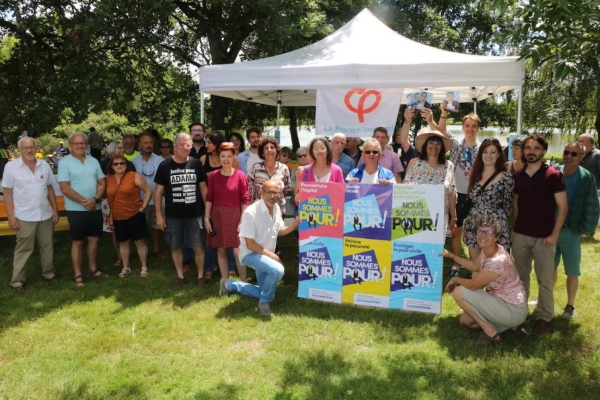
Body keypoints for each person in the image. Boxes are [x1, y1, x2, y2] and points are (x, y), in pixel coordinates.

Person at [440, 216, 528, 343]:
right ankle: (512, 326)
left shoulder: (497, 261)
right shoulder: (489, 250)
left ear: (496, 237)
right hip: (500, 303)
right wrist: (451, 255)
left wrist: (456, 279)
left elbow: (472, 286)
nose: (483, 236)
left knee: (459, 292)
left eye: (488, 232)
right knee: (465, 321)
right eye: (480, 231)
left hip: (512, 309)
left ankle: (490, 331)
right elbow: (475, 266)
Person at [512, 134, 567, 335]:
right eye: (528, 147)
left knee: (544, 280)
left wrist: (554, 234)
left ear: (543, 151)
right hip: (521, 236)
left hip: (544, 237)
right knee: (520, 278)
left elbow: (562, 206)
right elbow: (516, 205)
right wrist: (514, 229)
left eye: (536, 148)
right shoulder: (518, 176)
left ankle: (544, 317)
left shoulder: (553, 175)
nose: (531, 151)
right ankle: (520, 313)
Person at [221, 180, 300, 315]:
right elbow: (250, 244)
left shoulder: (275, 208)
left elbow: (279, 231)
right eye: (268, 192)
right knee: (277, 270)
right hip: (250, 253)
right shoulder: (251, 212)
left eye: (275, 192)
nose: (272, 196)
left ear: (280, 194)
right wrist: (273, 256)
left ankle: (228, 285)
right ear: (261, 193)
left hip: (264, 255)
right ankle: (264, 302)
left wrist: (293, 225)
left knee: (262, 290)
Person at [2, 137, 59, 292]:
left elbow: (49, 188)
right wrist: (11, 216)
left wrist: (55, 209)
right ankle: (17, 282)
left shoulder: (44, 165)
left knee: (47, 246)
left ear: (36, 148)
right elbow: (7, 192)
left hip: (45, 214)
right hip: (24, 215)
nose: (29, 150)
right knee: (24, 249)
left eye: (31, 147)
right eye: (25, 148)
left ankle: (49, 273)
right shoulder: (11, 167)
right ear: (19, 150)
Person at [154, 133, 208, 287]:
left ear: (191, 147)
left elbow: (203, 189)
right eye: (182, 144)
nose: (185, 147)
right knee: (176, 247)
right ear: (175, 146)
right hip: (173, 216)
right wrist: (159, 215)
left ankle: (200, 277)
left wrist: (208, 214)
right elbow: (158, 192)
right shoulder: (165, 166)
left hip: (195, 214)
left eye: (188, 145)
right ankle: (180, 276)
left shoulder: (196, 164)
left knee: (198, 247)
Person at [553, 142, 599, 318]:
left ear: (582, 157)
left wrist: (583, 230)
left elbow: (592, 205)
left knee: (572, 271)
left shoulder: (586, 177)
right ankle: (545, 299)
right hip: (551, 230)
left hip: (571, 231)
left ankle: (570, 306)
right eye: (566, 152)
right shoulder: (555, 173)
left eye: (574, 154)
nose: (569, 156)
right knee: (549, 268)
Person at [58, 133, 107, 287]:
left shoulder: (93, 161)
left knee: (94, 239)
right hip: (75, 209)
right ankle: (77, 274)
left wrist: (95, 200)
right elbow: (64, 188)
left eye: (82, 143)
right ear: (70, 145)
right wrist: (84, 202)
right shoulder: (64, 163)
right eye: (76, 143)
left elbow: (103, 182)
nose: (80, 146)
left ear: (87, 144)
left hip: (95, 207)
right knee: (78, 242)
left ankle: (92, 269)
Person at [440, 112, 481, 277]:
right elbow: (442, 131)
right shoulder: (456, 144)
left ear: (478, 128)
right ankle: (455, 266)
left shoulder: (482, 148)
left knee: (476, 233)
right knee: (456, 232)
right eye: (467, 126)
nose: (470, 129)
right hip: (457, 195)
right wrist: (443, 113)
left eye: (474, 126)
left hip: (475, 196)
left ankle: (474, 267)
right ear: (463, 127)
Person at [205, 142, 250, 288]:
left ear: (234, 158)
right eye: (223, 156)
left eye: (229, 156)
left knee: (238, 252)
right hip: (217, 216)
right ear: (218, 158)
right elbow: (209, 198)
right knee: (221, 250)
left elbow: (245, 199)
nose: (226, 159)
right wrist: (206, 218)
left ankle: (244, 282)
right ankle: (225, 283)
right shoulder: (214, 176)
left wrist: (242, 221)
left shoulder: (240, 175)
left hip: (236, 216)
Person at [463, 138, 514, 261]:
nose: (488, 155)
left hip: (495, 225)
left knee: (495, 266)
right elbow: (471, 196)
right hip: (474, 222)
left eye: (493, 152)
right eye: (485, 152)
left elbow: (508, 204)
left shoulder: (507, 177)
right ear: (480, 154)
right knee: (475, 265)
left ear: (498, 155)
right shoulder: (474, 174)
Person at [106, 154, 153, 278]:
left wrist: (143, 207)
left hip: (135, 214)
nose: (119, 166)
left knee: (140, 242)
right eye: (116, 164)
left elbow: (148, 191)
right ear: (111, 166)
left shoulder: (134, 176)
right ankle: (125, 267)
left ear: (126, 165)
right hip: (118, 215)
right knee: (123, 243)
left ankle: (144, 268)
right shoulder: (107, 178)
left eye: (122, 163)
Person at [404, 129, 457, 233]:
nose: (434, 146)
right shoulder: (414, 163)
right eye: (431, 142)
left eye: (438, 143)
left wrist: (454, 218)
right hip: (415, 215)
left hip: (440, 216)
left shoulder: (449, 165)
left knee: (437, 249)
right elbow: (404, 189)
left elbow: (452, 194)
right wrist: (410, 187)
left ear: (442, 147)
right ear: (425, 145)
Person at [131, 132, 167, 260]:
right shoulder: (132, 162)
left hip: (158, 200)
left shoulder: (161, 160)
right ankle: (143, 250)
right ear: (139, 145)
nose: (148, 145)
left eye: (150, 142)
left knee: (156, 226)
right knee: (141, 227)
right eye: (145, 143)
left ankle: (156, 249)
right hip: (140, 201)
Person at [247, 137, 291, 214]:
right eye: (266, 148)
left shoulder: (284, 168)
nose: (269, 150)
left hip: (278, 211)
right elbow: (249, 189)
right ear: (262, 152)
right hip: (258, 211)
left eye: (272, 147)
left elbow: (286, 189)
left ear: (276, 151)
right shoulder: (255, 168)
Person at [100, 140, 126, 266]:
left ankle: (126, 255)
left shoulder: (128, 163)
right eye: (118, 148)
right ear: (111, 149)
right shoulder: (105, 164)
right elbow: (101, 182)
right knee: (115, 230)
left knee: (127, 228)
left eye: (122, 148)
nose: (121, 150)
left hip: (126, 200)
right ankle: (119, 256)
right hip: (110, 201)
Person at [393, 107, 421, 179]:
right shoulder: (410, 149)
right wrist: (407, 121)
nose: (433, 145)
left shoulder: (445, 164)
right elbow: (403, 140)